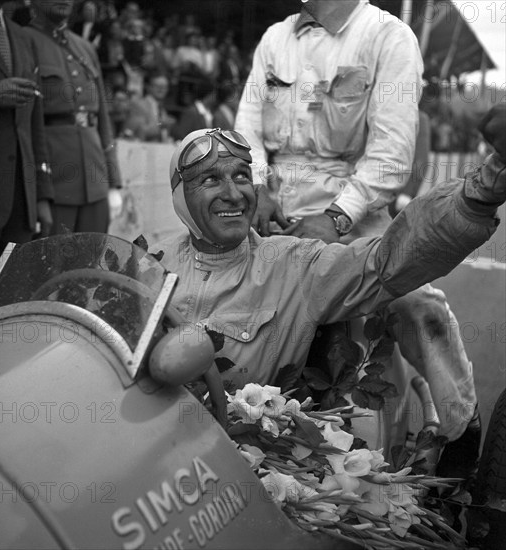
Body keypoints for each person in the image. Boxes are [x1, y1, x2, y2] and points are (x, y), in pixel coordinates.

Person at [152, 120, 504, 451]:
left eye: (242, 176)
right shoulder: (149, 263)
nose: (233, 194)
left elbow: (388, 262)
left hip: (246, 461)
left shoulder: (295, 265)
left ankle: (461, 424)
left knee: (416, 303)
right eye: (211, 180)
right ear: (181, 195)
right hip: (147, 444)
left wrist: (479, 194)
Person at [235, 0, 478, 451]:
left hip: (356, 209)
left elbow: (391, 155)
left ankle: (460, 423)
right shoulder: (275, 39)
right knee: (215, 288)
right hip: (276, 208)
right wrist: (256, 187)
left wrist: (336, 217)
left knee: (413, 303)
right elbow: (246, 126)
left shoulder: (388, 36)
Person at [24, 0, 122, 235]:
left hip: (95, 177)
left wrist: (113, 182)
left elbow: (102, 119)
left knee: (91, 264)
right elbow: (26, 123)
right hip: (55, 182)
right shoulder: (24, 40)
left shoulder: (84, 48)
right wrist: (38, 191)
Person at [0, 0, 53, 281]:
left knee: (8, 306)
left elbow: (34, 123)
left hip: (20, 203)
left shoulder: (19, 36)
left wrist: (41, 195)